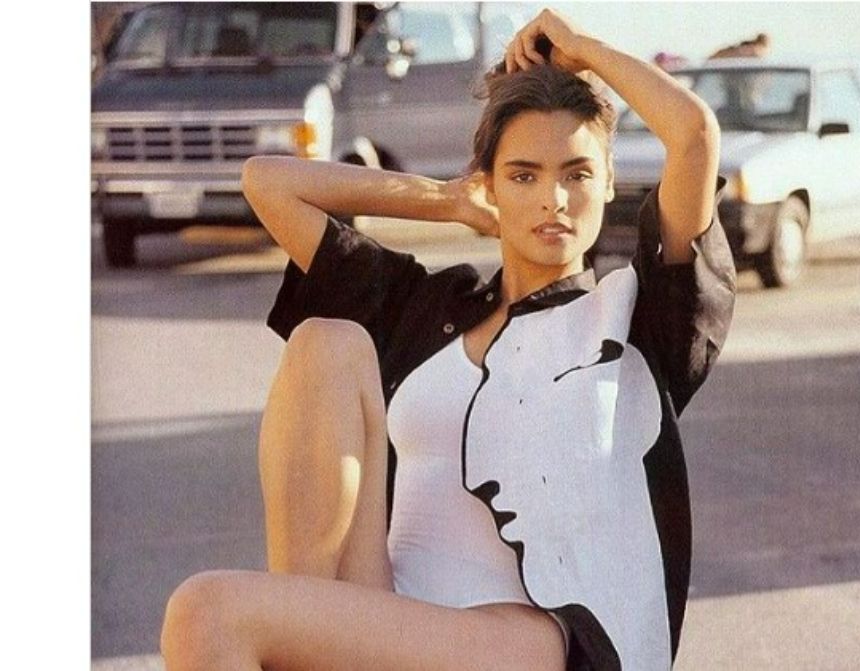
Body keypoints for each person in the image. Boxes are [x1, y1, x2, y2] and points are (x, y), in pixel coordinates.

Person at [159, 8, 735, 671]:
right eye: (524, 175)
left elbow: (694, 135)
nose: (553, 198)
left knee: (207, 611)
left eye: (577, 173)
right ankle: (308, 635)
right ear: (491, 186)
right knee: (324, 341)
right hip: (390, 613)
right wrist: (449, 200)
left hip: (530, 640)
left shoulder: (636, 317)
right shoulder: (429, 309)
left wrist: (583, 48)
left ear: (608, 180)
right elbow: (269, 183)